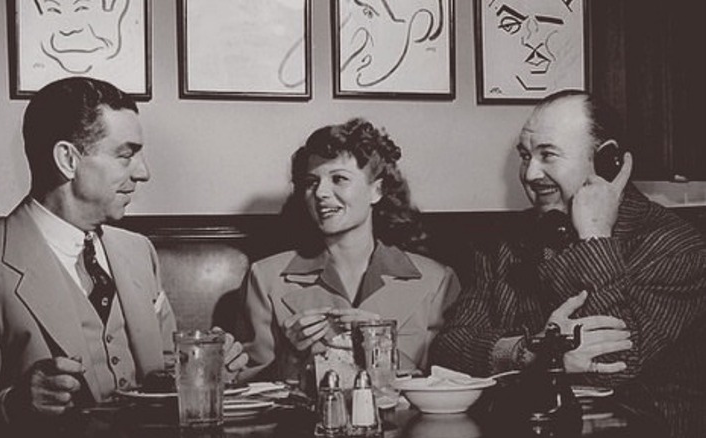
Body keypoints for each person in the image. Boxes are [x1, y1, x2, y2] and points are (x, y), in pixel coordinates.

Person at [0, 77, 248, 437]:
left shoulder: (138, 251)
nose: (143, 172)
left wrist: (204, 369)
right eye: (126, 154)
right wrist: (13, 405)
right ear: (68, 159)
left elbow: (164, 375)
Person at [429, 90, 706, 437]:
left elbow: (608, 365)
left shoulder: (675, 247)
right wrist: (531, 351)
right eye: (526, 155)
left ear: (609, 161)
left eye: (548, 155)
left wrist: (594, 236)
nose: (530, 173)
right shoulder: (509, 242)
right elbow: (446, 352)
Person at [238, 118, 461, 383]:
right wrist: (290, 360)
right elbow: (249, 385)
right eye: (311, 182)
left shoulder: (437, 281)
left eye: (339, 179)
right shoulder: (265, 277)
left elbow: (452, 380)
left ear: (376, 191)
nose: (320, 193)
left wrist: (383, 351)